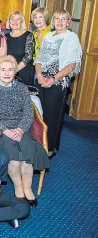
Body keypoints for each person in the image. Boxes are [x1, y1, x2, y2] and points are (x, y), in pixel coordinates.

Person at [0, 55, 49, 207]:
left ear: (15, 72)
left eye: (10, 70)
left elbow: (28, 113)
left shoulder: (22, 88)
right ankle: (18, 187)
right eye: (3, 70)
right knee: (13, 156)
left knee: (26, 155)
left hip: (21, 127)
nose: (6, 73)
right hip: (1, 129)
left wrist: (20, 129)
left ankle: (27, 188)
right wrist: (5, 131)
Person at [35, 9, 83, 156]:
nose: (60, 22)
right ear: (53, 22)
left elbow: (71, 65)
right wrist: (39, 75)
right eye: (57, 18)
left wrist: (53, 78)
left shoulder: (72, 38)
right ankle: (37, 144)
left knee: (52, 116)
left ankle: (49, 148)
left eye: (64, 19)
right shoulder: (48, 36)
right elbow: (39, 59)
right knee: (39, 114)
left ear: (69, 22)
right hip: (41, 80)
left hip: (57, 81)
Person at [5, 11, 35, 86]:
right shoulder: (5, 37)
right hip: (8, 72)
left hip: (24, 72)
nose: (15, 21)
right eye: (12, 19)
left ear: (21, 21)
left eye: (18, 19)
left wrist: (15, 70)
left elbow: (28, 56)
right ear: (9, 21)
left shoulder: (29, 35)